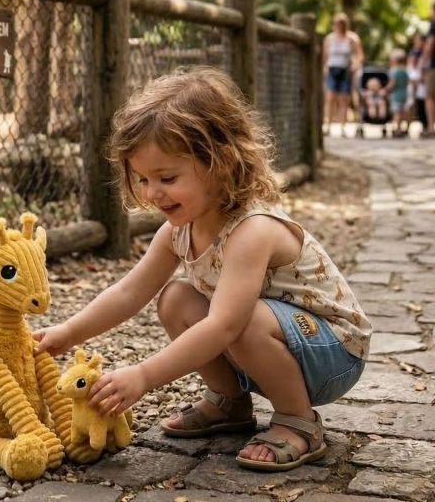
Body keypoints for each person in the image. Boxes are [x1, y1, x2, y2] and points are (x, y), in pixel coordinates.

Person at [34, 67, 371, 472]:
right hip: (276, 344)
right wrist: (68, 333)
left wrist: (142, 376)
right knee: (175, 298)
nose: (152, 192)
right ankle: (229, 403)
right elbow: (129, 292)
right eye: (141, 178)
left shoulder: (252, 230)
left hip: (333, 352)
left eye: (167, 177)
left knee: (237, 320)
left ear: (221, 163)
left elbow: (225, 326)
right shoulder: (179, 231)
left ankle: (298, 421)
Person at [322, 13, 363, 137]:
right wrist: (325, 68)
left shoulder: (352, 38)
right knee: (330, 98)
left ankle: (343, 127)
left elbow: (359, 55)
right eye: (337, 24)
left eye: (342, 24)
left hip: (346, 70)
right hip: (332, 70)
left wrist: (354, 66)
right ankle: (327, 126)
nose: (339, 26)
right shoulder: (329, 38)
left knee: (344, 99)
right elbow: (325, 56)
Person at [385, 49, 409, 137]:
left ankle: (396, 129)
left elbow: (392, 83)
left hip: (396, 94)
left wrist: (386, 90)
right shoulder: (405, 70)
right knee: (402, 112)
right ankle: (401, 128)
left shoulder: (394, 71)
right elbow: (407, 82)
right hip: (404, 94)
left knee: (396, 113)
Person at [423, 3, 435, 138]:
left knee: (430, 97)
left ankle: (431, 127)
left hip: (433, 66)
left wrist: (422, 61)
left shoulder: (433, 24)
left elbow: (430, 44)